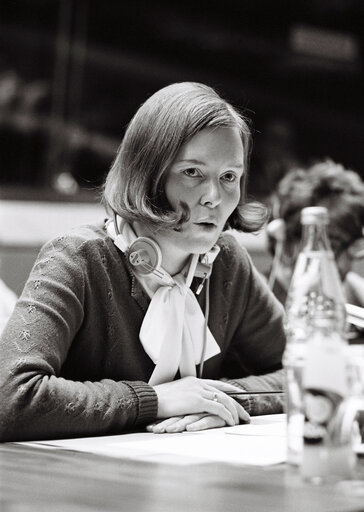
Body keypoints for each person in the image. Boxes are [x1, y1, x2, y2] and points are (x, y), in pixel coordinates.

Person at [0, 82, 285, 442]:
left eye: (229, 177)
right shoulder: (77, 258)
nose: (214, 196)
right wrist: (155, 400)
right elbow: (10, 398)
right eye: (192, 172)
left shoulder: (227, 263)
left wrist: (217, 399)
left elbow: (308, 372)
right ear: (148, 172)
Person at [266, 159, 364, 317]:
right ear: (286, 241)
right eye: (332, 244)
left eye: (354, 246)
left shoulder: (352, 290)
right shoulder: (256, 301)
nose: (347, 263)